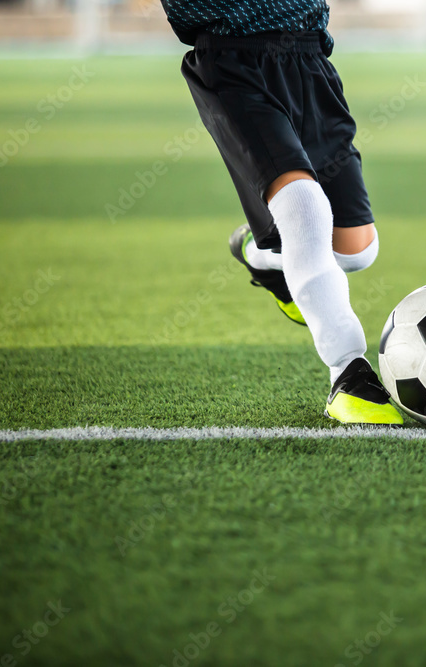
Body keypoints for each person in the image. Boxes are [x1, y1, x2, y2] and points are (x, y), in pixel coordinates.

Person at [159, 0, 403, 426]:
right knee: (304, 210)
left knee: (355, 251)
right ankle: (348, 374)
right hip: (231, 57)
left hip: (309, 61)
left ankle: (264, 256)